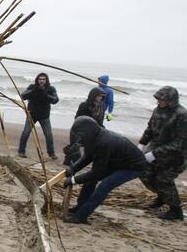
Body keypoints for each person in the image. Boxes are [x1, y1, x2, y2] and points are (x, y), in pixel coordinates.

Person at [62, 116, 146, 224]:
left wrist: (73, 180)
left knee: (105, 185)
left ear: (87, 133)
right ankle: (80, 207)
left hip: (133, 166)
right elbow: (87, 157)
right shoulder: (94, 138)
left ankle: (81, 216)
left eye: (80, 136)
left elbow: (96, 173)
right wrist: (73, 169)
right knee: (90, 181)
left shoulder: (103, 142)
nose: (79, 139)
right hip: (117, 161)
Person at [138, 86, 186, 221]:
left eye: (163, 99)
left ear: (172, 100)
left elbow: (180, 143)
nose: (160, 102)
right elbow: (150, 129)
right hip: (156, 150)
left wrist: (154, 154)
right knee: (144, 172)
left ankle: (176, 211)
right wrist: (141, 144)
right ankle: (163, 197)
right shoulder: (157, 110)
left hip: (176, 156)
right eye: (158, 99)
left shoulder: (182, 114)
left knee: (164, 180)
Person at [18, 72, 59, 159]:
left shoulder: (51, 89)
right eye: (40, 79)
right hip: (32, 114)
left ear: (46, 80)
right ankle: (21, 151)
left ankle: (51, 153)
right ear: (37, 80)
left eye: (43, 79)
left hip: (44, 116)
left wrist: (45, 94)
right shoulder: (32, 87)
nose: (41, 81)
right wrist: (33, 91)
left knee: (48, 135)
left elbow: (55, 100)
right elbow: (23, 96)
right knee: (26, 133)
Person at [62, 87, 106, 165]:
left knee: (96, 146)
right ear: (94, 95)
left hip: (94, 129)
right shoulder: (84, 105)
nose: (101, 98)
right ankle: (70, 159)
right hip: (80, 129)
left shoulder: (101, 107)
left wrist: (102, 128)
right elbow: (77, 117)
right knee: (76, 149)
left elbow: (100, 120)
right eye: (99, 96)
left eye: (102, 96)